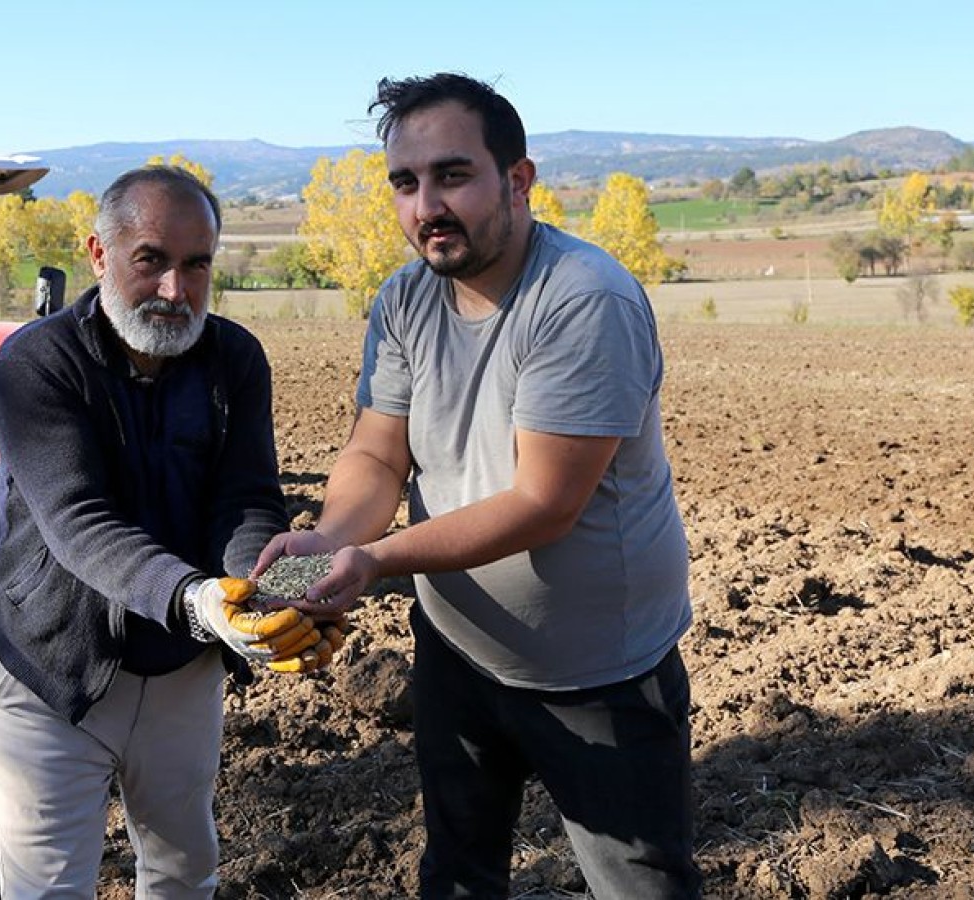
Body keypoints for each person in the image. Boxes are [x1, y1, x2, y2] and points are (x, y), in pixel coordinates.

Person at [255, 73, 701, 898]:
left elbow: (545, 503)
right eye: (405, 182)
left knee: (642, 886)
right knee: (458, 875)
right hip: (458, 652)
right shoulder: (404, 300)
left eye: (452, 175)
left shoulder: (582, 300)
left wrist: (374, 562)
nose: (426, 205)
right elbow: (378, 455)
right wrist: (330, 539)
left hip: (596, 671)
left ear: (519, 180)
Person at [0, 165, 334, 899]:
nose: (177, 289)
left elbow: (246, 502)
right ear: (99, 254)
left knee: (183, 872)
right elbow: (77, 520)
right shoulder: (36, 363)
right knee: (48, 888)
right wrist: (199, 600)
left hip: (182, 669)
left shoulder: (233, 360)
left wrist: (272, 598)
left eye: (197, 264)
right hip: (55, 668)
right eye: (152, 260)